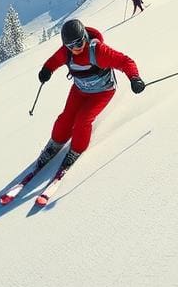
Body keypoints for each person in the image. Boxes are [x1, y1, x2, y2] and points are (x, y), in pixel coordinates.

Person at [32, 19, 145, 179]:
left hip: (102, 92)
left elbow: (124, 61)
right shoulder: (67, 52)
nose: (76, 48)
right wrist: (47, 69)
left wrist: (135, 78)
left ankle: (76, 149)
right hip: (80, 90)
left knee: (83, 120)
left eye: (79, 43)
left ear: (85, 37)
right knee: (66, 117)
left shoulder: (97, 51)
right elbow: (55, 60)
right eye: (70, 45)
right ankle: (55, 143)